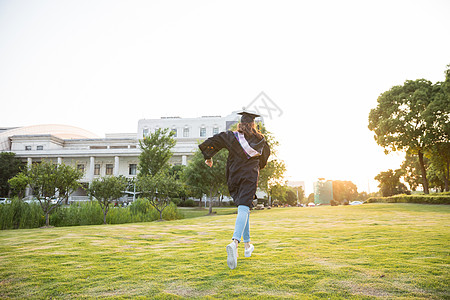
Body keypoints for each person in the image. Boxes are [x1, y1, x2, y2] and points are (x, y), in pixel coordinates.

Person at [198, 111, 271, 269]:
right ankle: (235, 242)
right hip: (249, 176)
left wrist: (208, 157)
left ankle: (247, 246)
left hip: (234, 176)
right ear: (253, 124)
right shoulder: (260, 140)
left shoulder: (232, 136)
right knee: (244, 208)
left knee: (243, 209)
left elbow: (213, 141)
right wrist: (256, 165)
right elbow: (264, 159)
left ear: (240, 124)